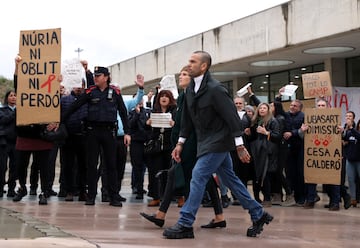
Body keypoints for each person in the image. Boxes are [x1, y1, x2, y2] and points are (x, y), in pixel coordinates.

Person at [163, 51, 273, 239]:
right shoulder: (190, 90)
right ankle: (258, 213)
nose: (188, 65)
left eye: (193, 62)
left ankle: (185, 223)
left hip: (219, 142)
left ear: (203, 66)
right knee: (230, 179)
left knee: (198, 176)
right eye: (188, 61)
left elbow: (232, 119)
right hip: (205, 142)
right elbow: (187, 120)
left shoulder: (216, 89)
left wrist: (239, 146)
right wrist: (180, 143)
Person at [140, 65, 226, 229]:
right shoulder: (183, 97)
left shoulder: (193, 97)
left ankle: (164, 215)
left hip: (191, 144)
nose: (181, 77)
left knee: (177, 175)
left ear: (193, 78)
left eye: (185, 74)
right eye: (181, 74)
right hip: (184, 143)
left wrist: (182, 144)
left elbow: (190, 124)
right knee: (203, 178)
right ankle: (219, 216)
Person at [61, 66, 130, 207]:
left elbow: (123, 112)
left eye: (99, 75)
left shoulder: (115, 92)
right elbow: (74, 106)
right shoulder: (90, 92)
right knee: (91, 165)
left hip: (109, 132)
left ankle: (113, 196)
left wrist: (127, 132)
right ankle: (91, 195)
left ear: (106, 77)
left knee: (111, 165)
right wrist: (59, 120)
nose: (96, 78)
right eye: (95, 75)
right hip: (92, 132)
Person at [12, 55, 59, 205]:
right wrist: (17, 65)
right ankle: (22, 188)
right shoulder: (24, 91)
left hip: (41, 135)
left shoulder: (48, 90)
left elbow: (55, 103)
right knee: (20, 165)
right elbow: (17, 82)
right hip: (24, 134)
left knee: (43, 167)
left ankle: (44, 192)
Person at [145, 89, 177, 206]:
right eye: (161, 96)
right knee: (155, 171)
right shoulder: (154, 111)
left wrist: (175, 124)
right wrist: (147, 124)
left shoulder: (175, 111)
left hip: (170, 146)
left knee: (170, 172)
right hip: (156, 147)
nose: (164, 98)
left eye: (166, 96)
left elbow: (180, 127)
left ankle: (173, 195)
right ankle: (156, 196)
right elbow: (147, 130)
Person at [247, 102, 281, 207]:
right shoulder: (254, 121)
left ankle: (267, 198)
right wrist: (249, 133)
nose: (262, 110)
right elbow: (252, 137)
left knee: (265, 175)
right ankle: (256, 198)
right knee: (256, 175)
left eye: (264, 108)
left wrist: (266, 133)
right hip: (256, 151)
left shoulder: (273, 121)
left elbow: (277, 136)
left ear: (268, 110)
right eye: (260, 108)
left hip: (267, 152)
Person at [0, 90, 17, 197]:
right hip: (4, 142)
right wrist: (16, 113)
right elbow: (4, 120)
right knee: (2, 167)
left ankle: (11, 189)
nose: (13, 97)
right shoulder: (2, 109)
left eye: (15, 95)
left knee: (14, 167)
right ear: (7, 98)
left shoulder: (21, 110)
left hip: (16, 142)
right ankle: (0, 188)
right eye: (11, 96)